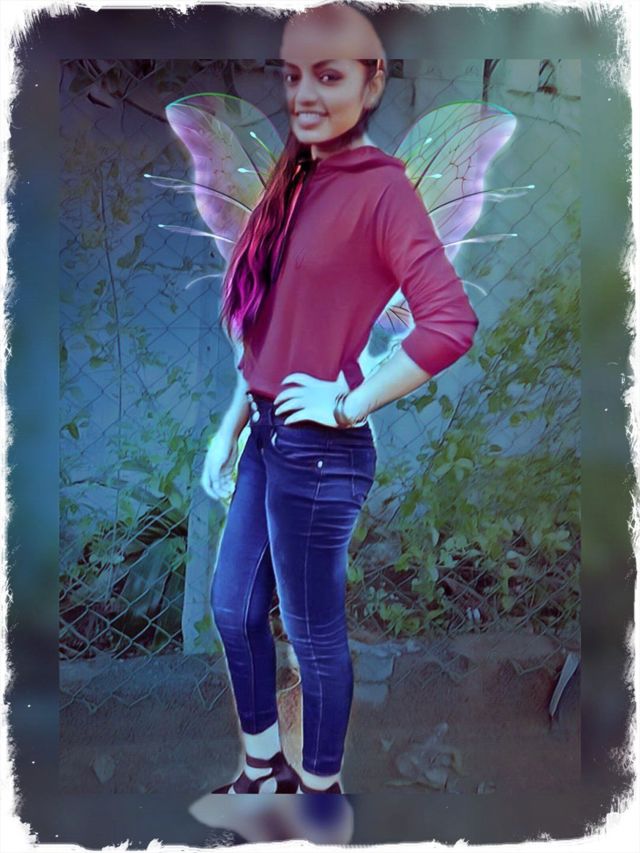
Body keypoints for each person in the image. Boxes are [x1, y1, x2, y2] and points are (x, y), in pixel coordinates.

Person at [200, 4, 479, 795]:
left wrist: (351, 403)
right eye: (294, 75)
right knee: (233, 610)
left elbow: (450, 322)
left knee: (314, 638)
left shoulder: (382, 190)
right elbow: (271, 325)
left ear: (372, 81)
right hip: (267, 437)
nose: (306, 94)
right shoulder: (294, 182)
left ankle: (319, 796)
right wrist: (232, 423)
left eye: (329, 75)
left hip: (321, 454)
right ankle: (264, 769)